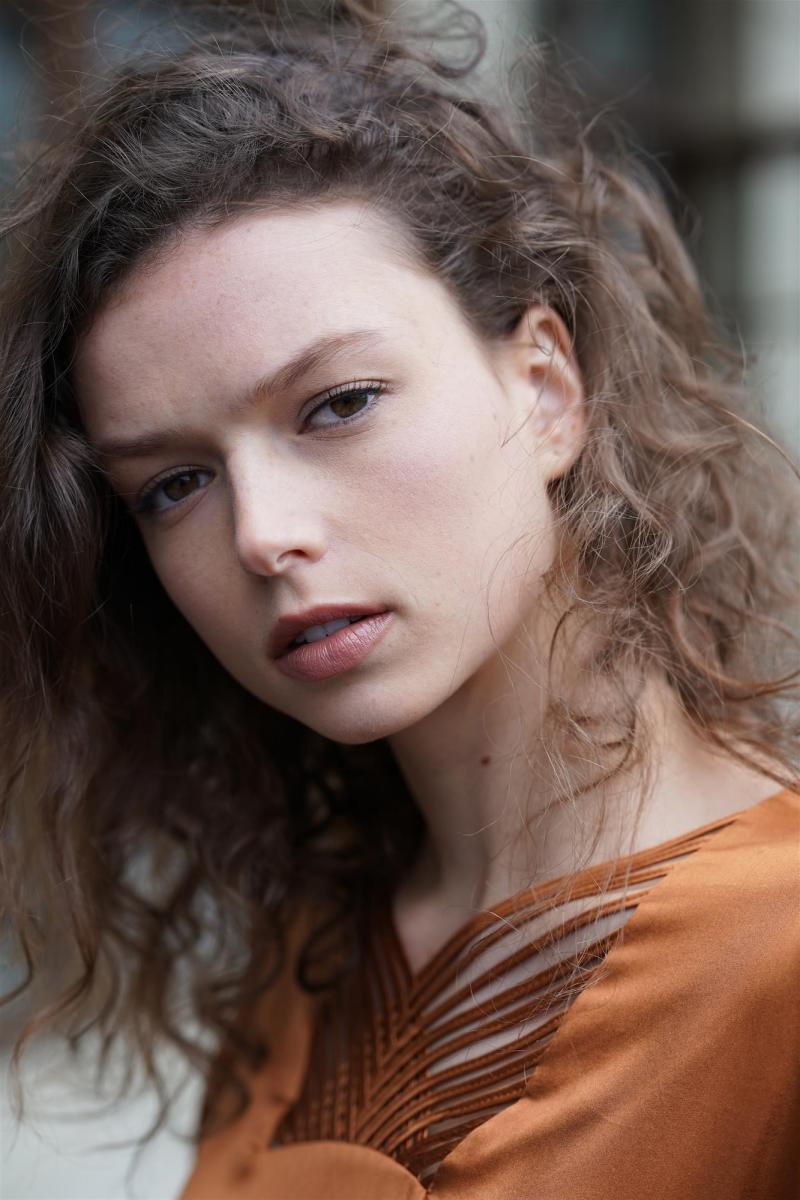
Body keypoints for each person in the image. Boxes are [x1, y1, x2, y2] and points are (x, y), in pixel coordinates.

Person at [1, 1, 797, 1196]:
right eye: (173, 483)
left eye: (337, 404)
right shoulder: (317, 956)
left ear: (543, 386)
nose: (263, 536)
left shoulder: (776, 961)